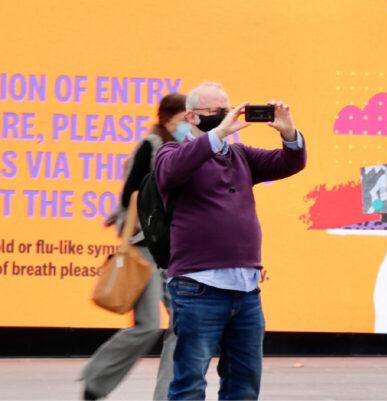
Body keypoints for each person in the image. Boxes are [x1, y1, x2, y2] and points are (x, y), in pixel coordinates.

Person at [154, 81, 307, 400]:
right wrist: (219, 133)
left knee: (244, 384)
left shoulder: (241, 156)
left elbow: (289, 163)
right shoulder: (172, 153)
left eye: (228, 109)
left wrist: (289, 133)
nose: (226, 116)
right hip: (197, 288)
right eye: (216, 112)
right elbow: (171, 172)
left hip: (246, 290)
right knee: (189, 384)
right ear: (192, 118)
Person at [82, 93, 188, 401]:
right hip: (143, 248)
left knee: (181, 326)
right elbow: (130, 194)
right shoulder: (150, 147)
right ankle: (96, 380)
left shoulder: (185, 149)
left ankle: (168, 395)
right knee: (148, 326)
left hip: (173, 251)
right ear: (168, 119)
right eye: (183, 119)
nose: (188, 125)